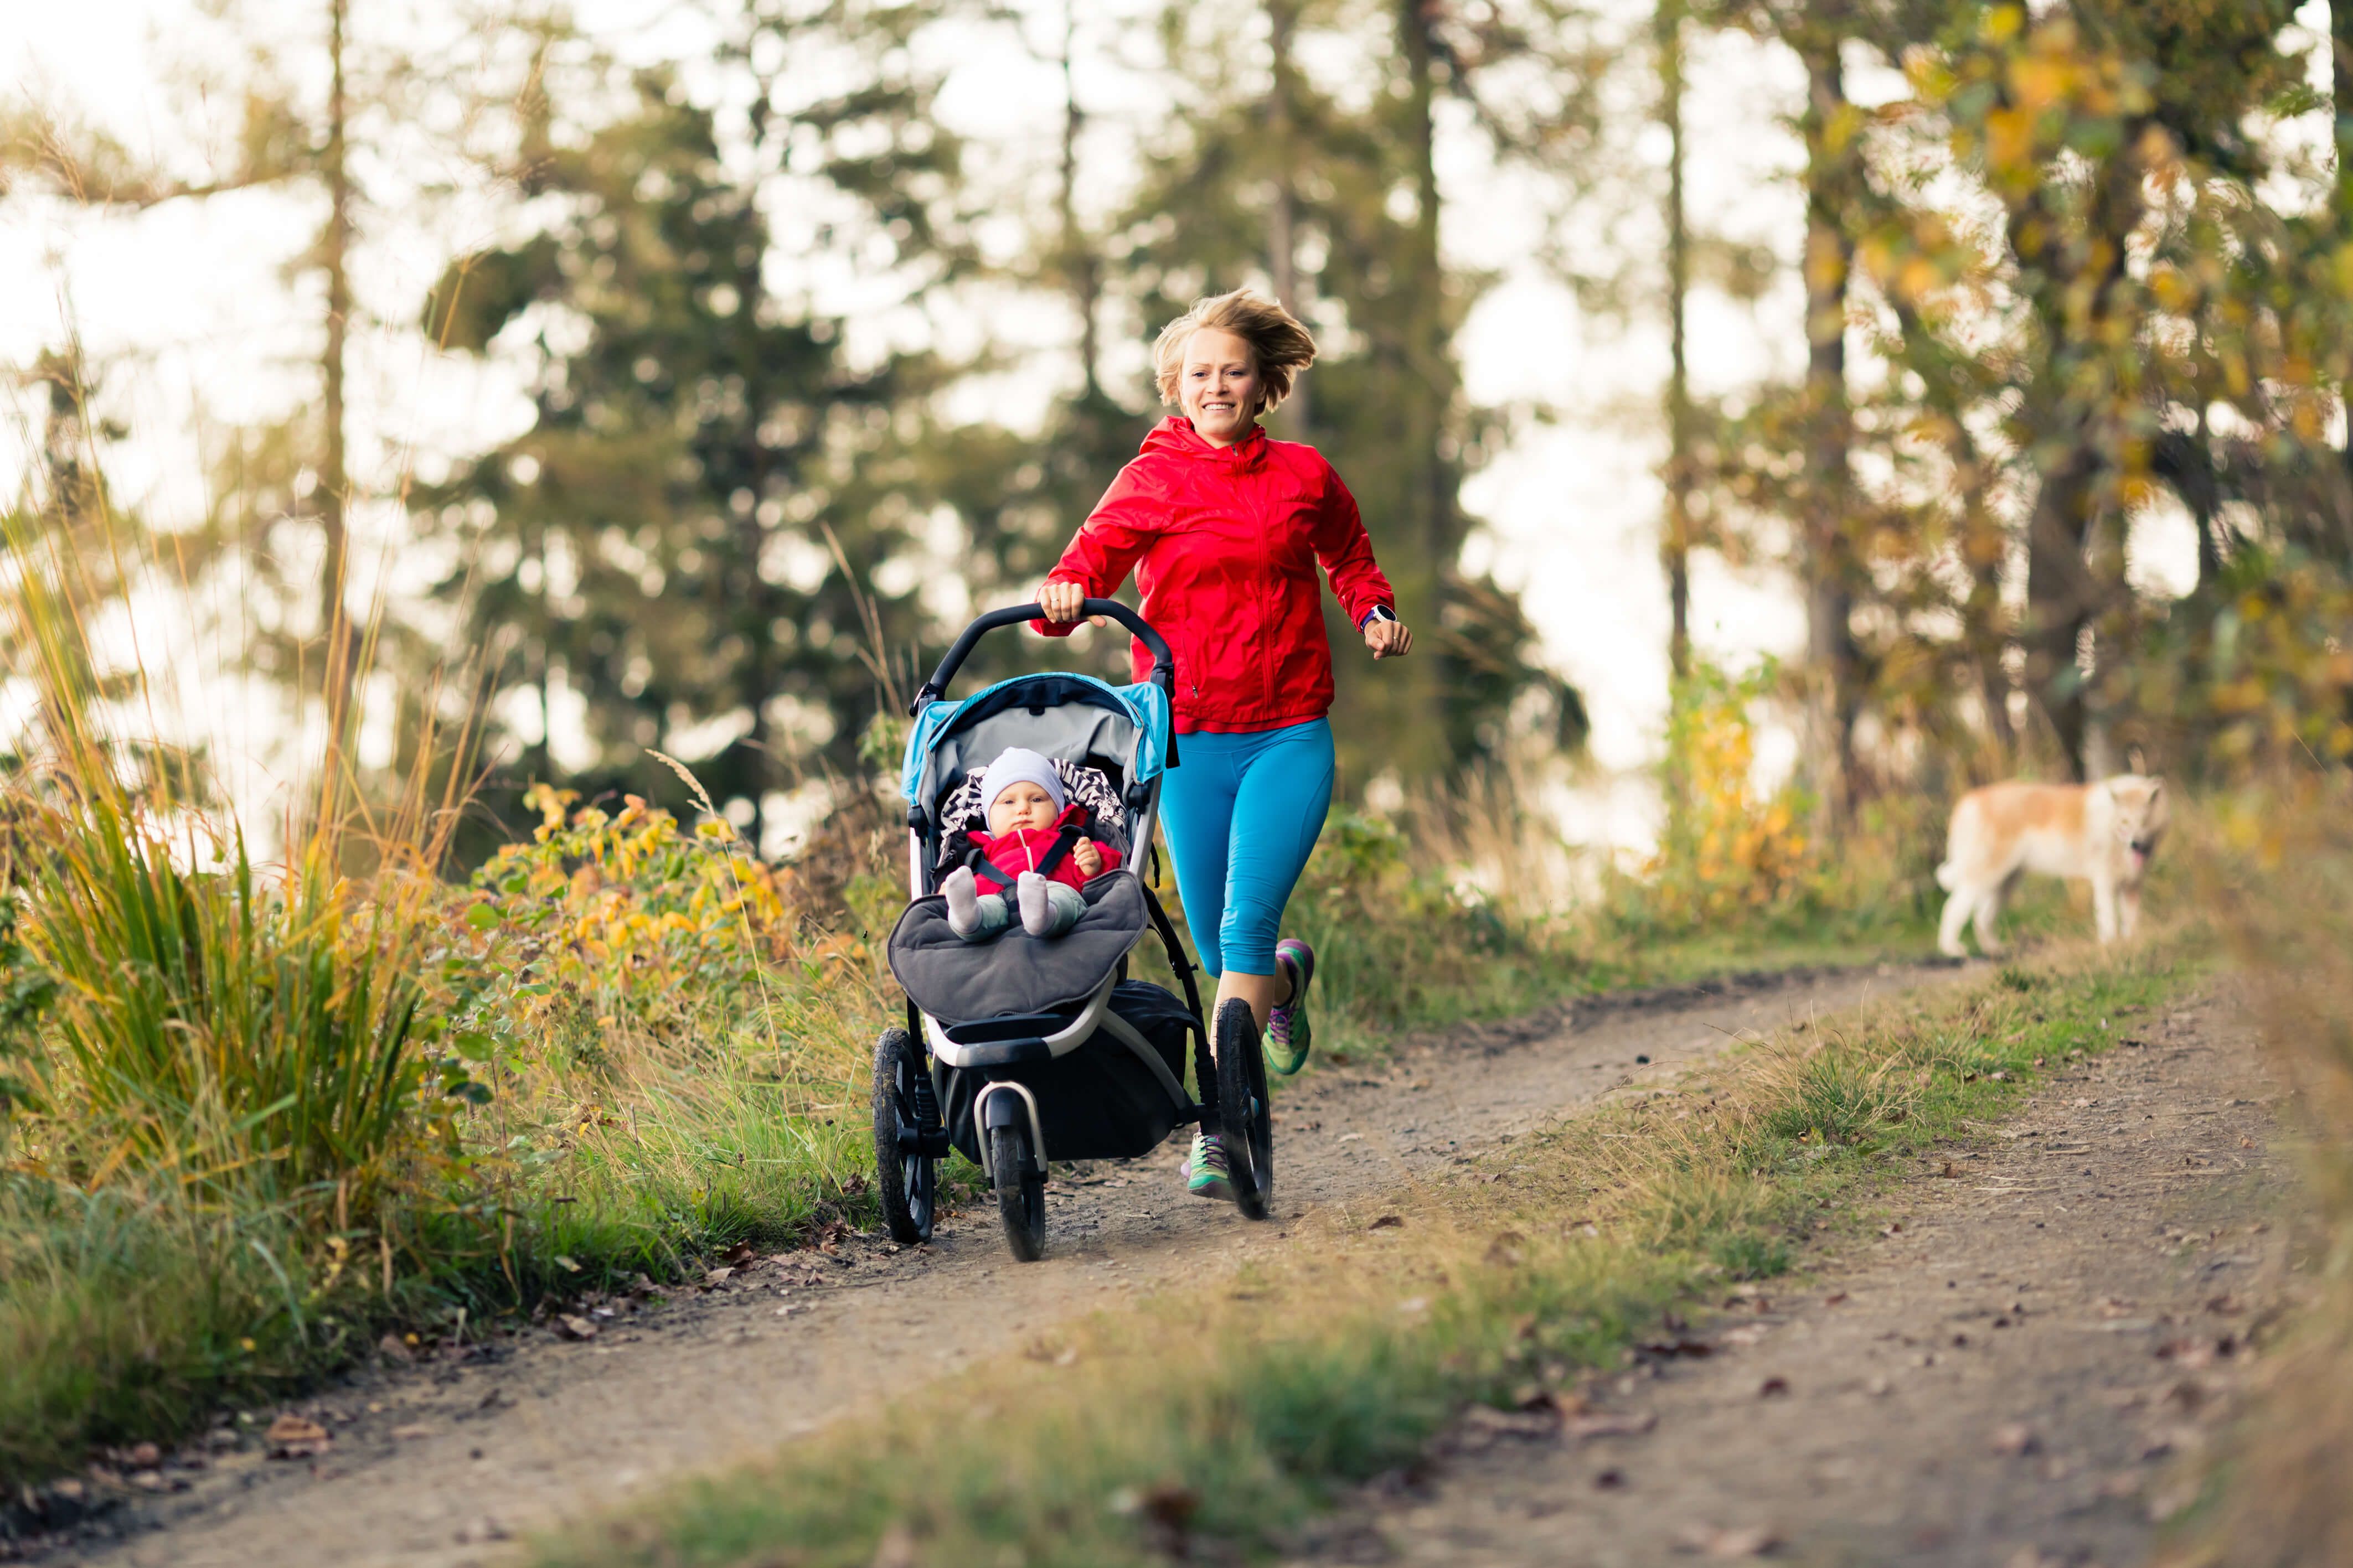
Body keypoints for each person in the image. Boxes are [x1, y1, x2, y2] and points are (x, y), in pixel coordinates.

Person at [1034, 287, 1412, 1203]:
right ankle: (1282, 982)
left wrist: (1374, 610)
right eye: (1200, 372)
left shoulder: (1305, 476)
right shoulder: (1151, 477)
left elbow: (1351, 555)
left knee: (1241, 925)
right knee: (1218, 950)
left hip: (1288, 730)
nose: (1217, 385)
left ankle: (1222, 1127)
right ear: (1176, 385)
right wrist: (1064, 591)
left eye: (1233, 371)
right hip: (1189, 737)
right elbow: (1094, 556)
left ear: (1261, 383)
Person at [942, 748, 1122, 942]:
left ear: (1057, 808)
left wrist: (1093, 864)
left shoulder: (1070, 839)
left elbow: (1106, 876)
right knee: (986, 906)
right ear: (989, 817)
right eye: (1008, 802)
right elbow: (973, 881)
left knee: (1066, 900)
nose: (1023, 809)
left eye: (1037, 799)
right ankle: (968, 919)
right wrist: (947, 892)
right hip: (997, 898)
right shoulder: (980, 854)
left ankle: (1044, 915)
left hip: (1055, 890)